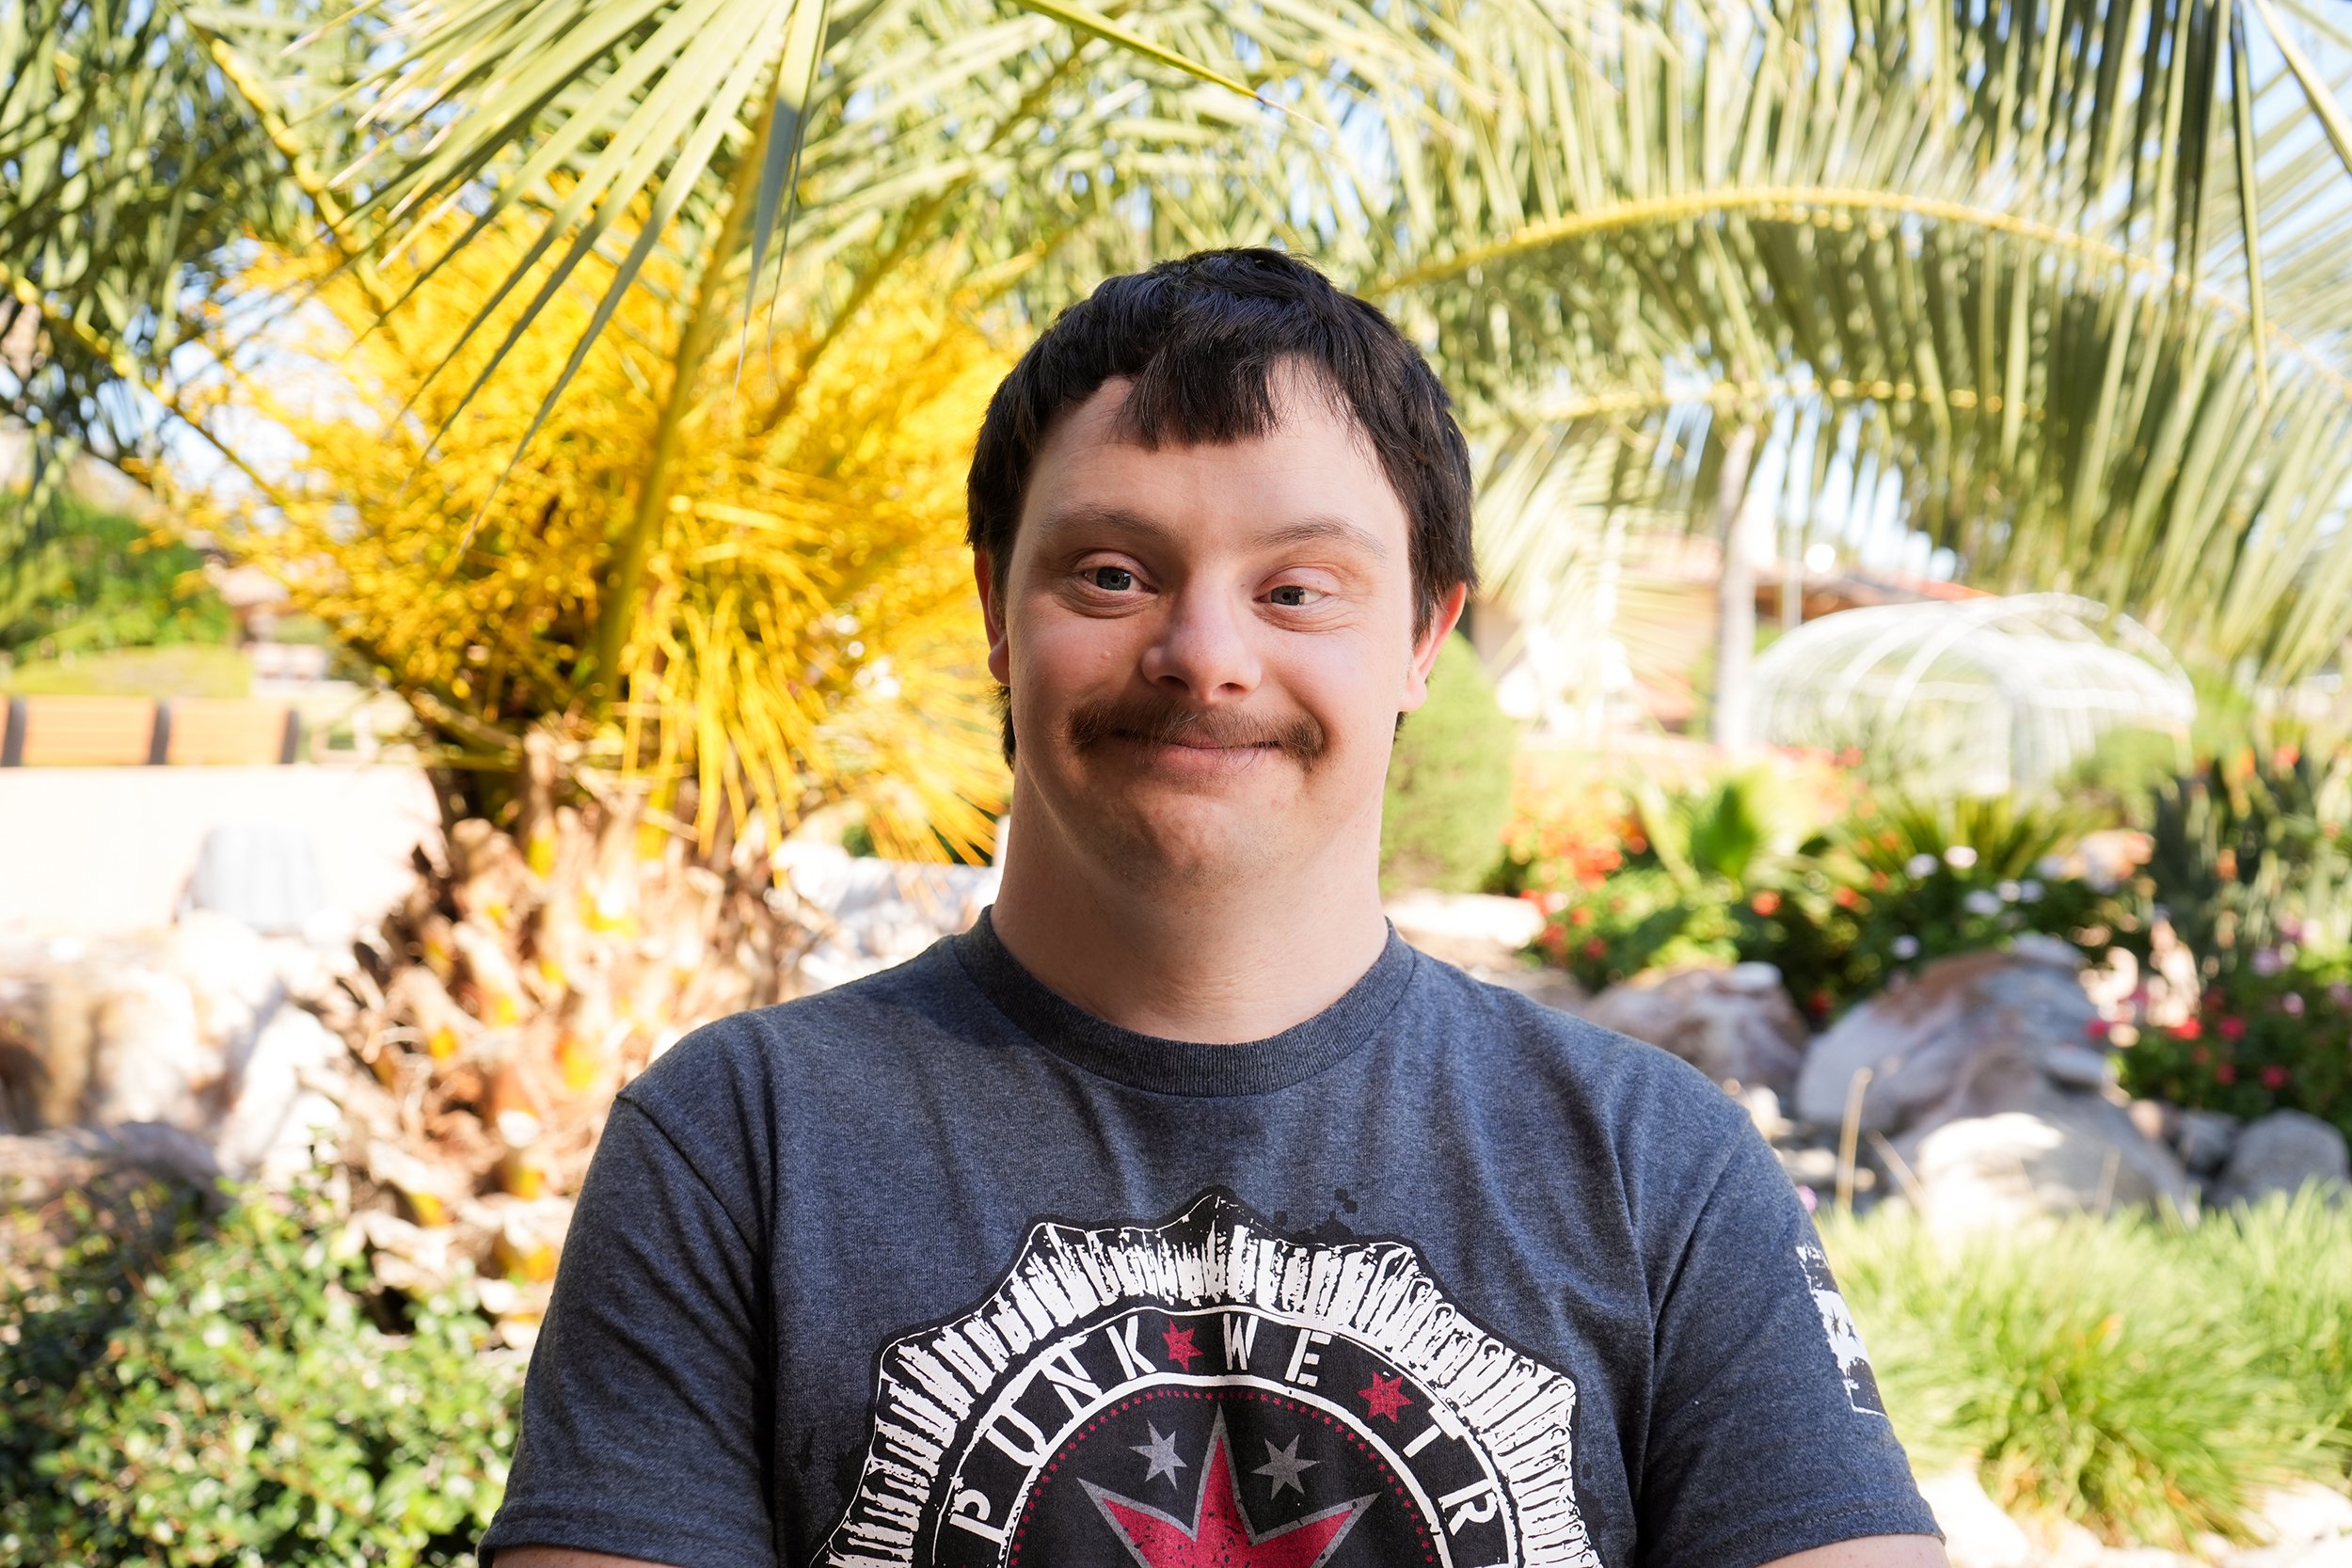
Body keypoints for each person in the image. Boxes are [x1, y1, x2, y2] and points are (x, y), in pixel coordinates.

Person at [481, 249, 1947, 1568]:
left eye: (1298, 589)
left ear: (1425, 635)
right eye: (1113, 575)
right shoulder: (737, 1145)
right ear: (997, 611)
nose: (1203, 653)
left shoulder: (1652, 1164)